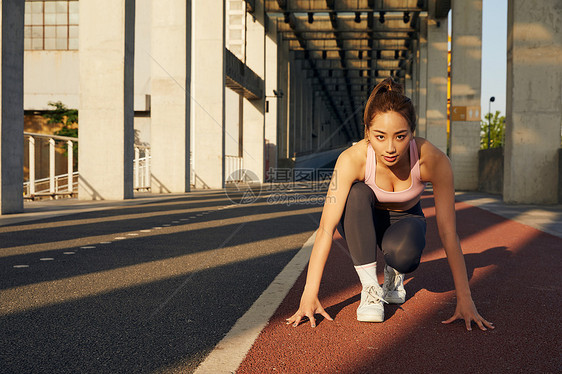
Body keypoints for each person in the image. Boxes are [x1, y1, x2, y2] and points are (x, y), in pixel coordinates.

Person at [286, 77, 494, 331]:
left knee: (404, 256)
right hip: (360, 220)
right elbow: (326, 228)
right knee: (356, 193)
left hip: (405, 220)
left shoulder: (433, 160)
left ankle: (395, 272)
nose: (391, 148)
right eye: (380, 136)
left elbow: (448, 231)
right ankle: (371, 289)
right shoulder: (352, 159)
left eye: (400, 136)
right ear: (367, 133)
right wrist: (310, 293)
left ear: (412, 133)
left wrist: (465, 300)